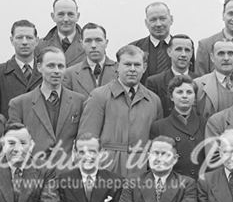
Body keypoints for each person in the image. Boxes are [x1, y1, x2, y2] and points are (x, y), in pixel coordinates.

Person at [80, 44, 163, 177]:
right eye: (127, 64)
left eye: (137, 65)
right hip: (106, 169)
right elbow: (87, 139)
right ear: (117, 67)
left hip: (141, 170)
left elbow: (157, 143)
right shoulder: (99, 96)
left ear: (144, 68)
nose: (132, 69)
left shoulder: (153, 101)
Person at [8, 45, 86, 161]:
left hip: (67, 173)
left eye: (60, 66)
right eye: (51, 66)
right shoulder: (19, 104)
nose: (56, 71)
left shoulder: (79, 101)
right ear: (39, 67)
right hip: (33, 173)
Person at [149, 75, 206, 181]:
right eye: (179, 92)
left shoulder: (205, 124)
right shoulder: (159, 127)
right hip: (172, 187)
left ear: (194, 97)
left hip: (200, 186)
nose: (185, 96)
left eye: (189, 92)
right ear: (171, 96)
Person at [0, 20, 41, 114]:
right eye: (19, 38)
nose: (24, 42)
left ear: (36, 41)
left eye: (29, 38)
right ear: (12, 40)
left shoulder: (46, 72)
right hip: (9, 127)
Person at [146, 34, 196, 114]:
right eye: (178, 49)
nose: (183, 54)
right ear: (169, 52)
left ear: (191, 53)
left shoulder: (199, 81)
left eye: (187, 50)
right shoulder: (154, 82)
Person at [63, 23, 117, 97]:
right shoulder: (70, 74)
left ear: (106, 43)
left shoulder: (120, 71)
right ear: (82, 44)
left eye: (98, 40)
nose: (93, 45)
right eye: (88, 41)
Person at [132, 2, 175, 84]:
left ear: (171, 20)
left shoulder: (183, 48)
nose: (158, 24)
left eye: (162, 19)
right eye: (153, 20)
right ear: (146, 23)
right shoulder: (135, 48)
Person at [40, 0, 85, 65]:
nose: (66, 19)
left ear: (77, 16)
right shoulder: (40, 46)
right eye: (61, 14)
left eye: (70, 14)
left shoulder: (90, 45)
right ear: (53, 16)